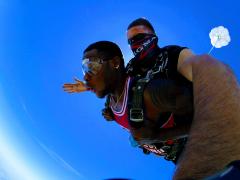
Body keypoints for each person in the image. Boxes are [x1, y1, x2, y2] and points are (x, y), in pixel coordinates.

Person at [63, 26, 240, 179]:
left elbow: (213, 118)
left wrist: (157, 137)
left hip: (202, 156)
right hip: (175, 157)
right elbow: (112, 85)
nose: (86, 74)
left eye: (91, 66)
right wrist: (87, 87)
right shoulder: (112, 103)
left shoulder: (153, 93)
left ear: (116, 62)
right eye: (84, 68)